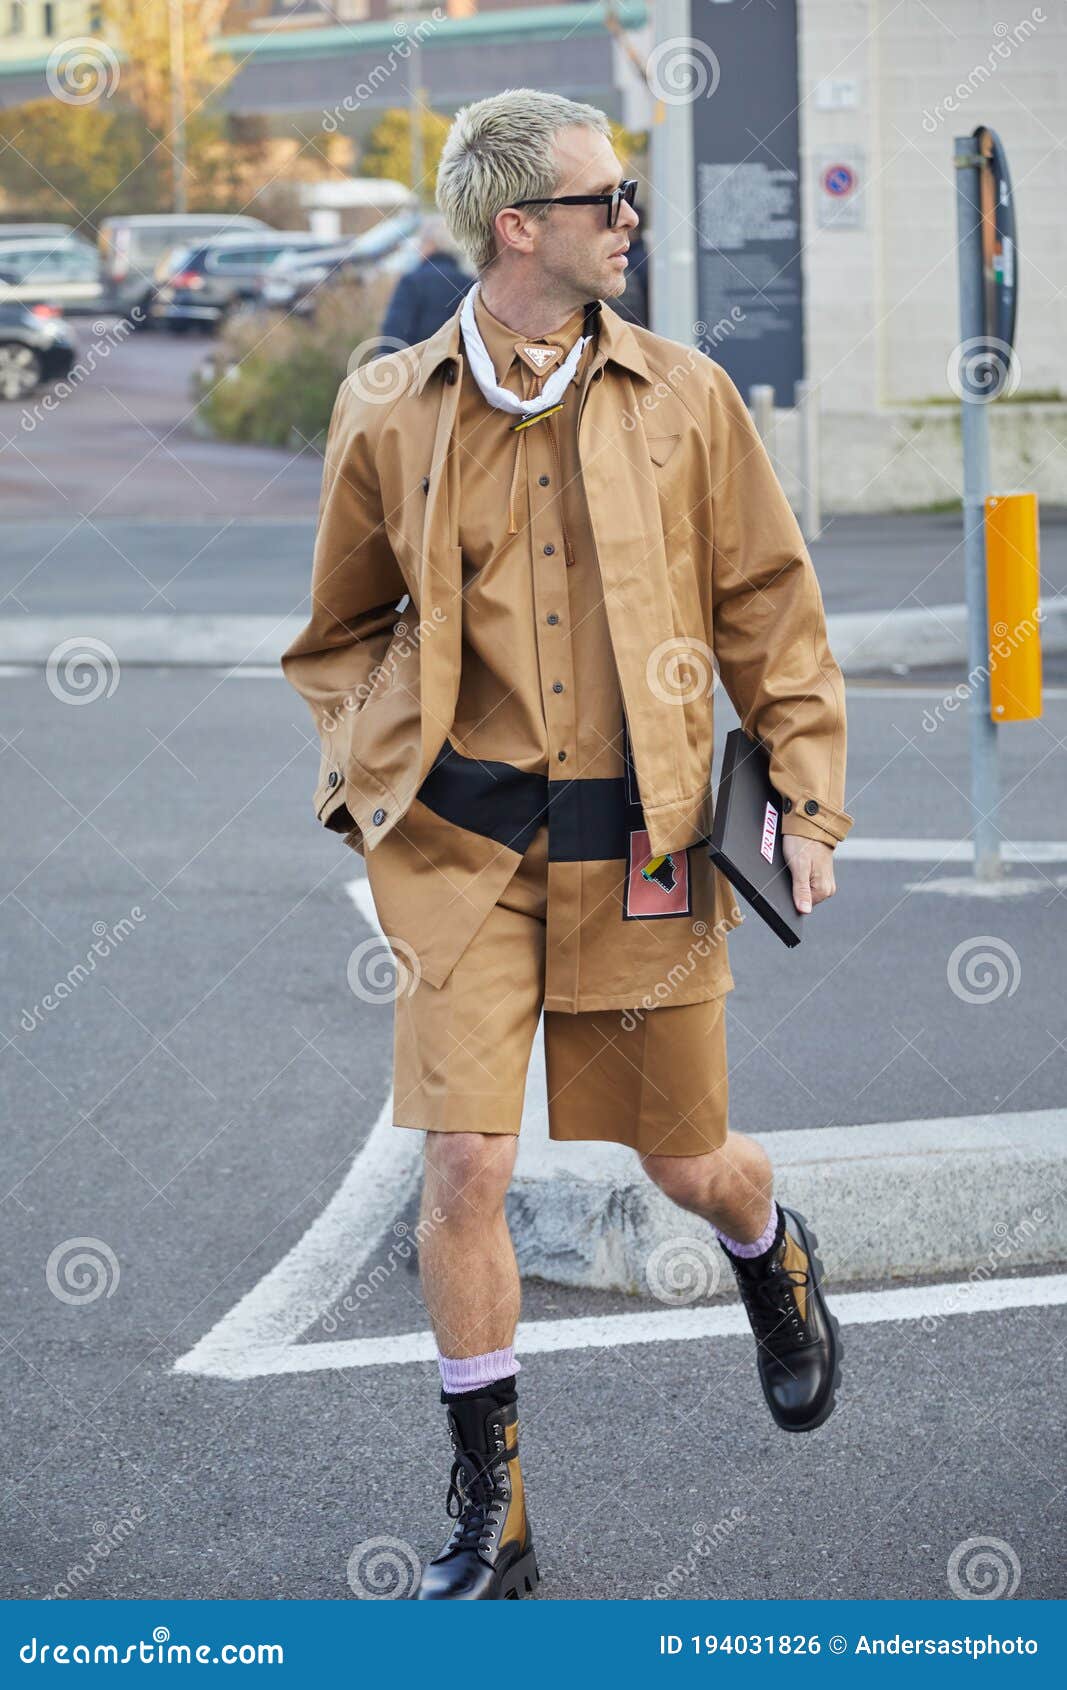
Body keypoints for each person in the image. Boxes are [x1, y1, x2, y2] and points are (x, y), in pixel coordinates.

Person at [281, 88, 853, 1602]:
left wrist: (802, 793)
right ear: (517, 224)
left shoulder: (682, 397)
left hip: (647, 850)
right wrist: (367, 769)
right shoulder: (393, 409)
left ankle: (770, 1249)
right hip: (461, 855)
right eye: (608, 200)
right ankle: (497, 1518)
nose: (631, 222)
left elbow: (768, 613)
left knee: (684, 1161)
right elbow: (336, 631)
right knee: (463, 1163)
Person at [379, 216, 472, 347]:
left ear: (431, 244)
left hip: (418, 364)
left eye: (422, 242)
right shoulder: (470, 284)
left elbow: (394, 334)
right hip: (460, 365)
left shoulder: (412, 282)